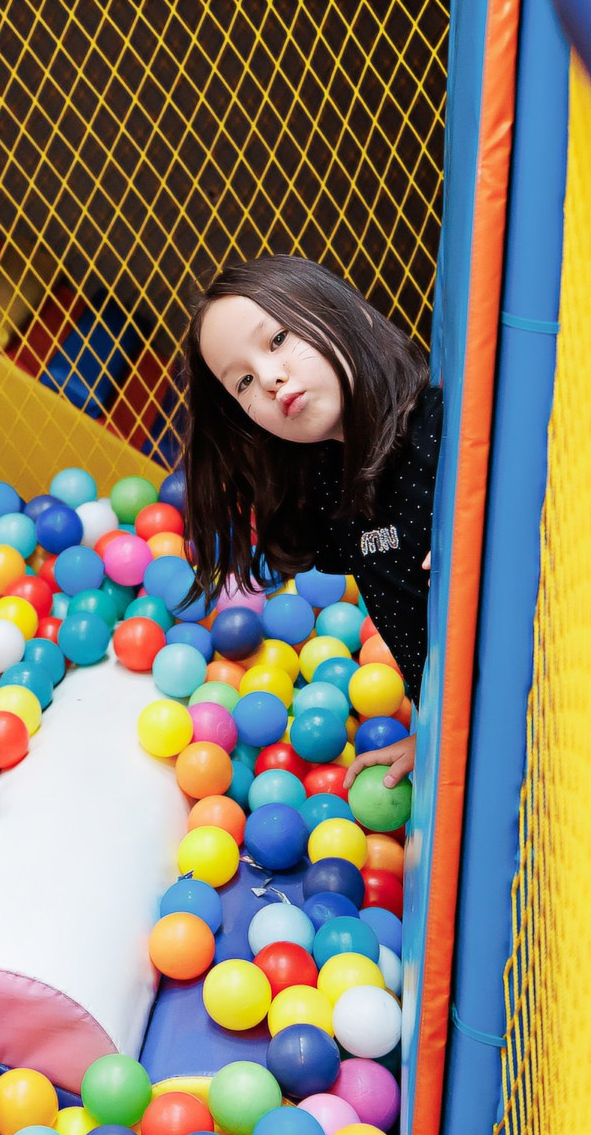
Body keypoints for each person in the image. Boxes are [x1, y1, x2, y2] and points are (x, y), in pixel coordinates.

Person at [181, 254, 440, 791]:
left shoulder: (437, 425)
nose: (271, 379)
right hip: (468, 724)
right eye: (243, 382)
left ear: (345, 313)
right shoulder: (330, 496)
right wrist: (433, 732)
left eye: (277, 341)